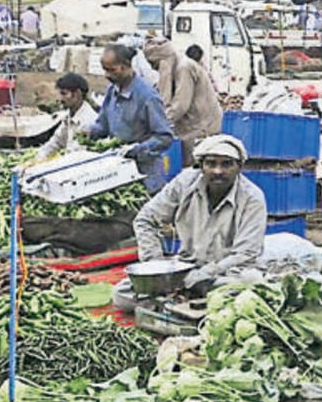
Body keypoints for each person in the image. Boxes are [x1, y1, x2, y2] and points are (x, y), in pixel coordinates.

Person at [133, 134, 267, 293]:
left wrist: (204, 274)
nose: (218, 171)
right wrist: (156, 265)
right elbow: (145, 219)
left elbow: (246, 253)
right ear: (201, 166)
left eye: (227, 164)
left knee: (249, 282)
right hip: (187, 266)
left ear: (239, 167)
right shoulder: (184, 183)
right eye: (211, 164)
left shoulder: (252, 198)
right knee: (122, 294)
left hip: (228, 271)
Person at [87, 44, 174, 193]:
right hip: (119, 171)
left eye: (112, 70)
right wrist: (89, 131)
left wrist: (139, 149)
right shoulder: (112, 91)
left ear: (126, 66)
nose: (107, 75)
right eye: (105, 70)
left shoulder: (147, 97)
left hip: (146, 175)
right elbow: (103, 126)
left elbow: (164, 137)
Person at [143, 38, 222, 165]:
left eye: (155, 65)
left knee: (193, 170)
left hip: (201, 127)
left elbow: (180, 106)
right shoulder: (174, 67)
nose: (154, 69)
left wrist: (157, 123)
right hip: (189, 127)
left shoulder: (184, 68)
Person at [35, 73, 101, 161]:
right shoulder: (68, 118)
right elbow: (56, 142)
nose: (60, 99)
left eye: (64, 94)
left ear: (77, 94)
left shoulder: (89, 120)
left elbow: (76, 153)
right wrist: (37, 159)